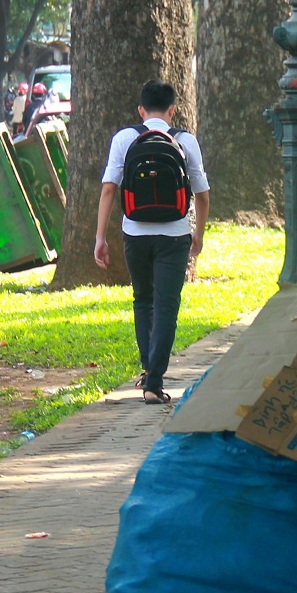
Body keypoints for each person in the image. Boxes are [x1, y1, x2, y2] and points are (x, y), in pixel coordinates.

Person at [94, 80, 210, 405]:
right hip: (174, 234)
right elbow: (202, 194)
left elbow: (108, 189)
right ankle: (154, 381)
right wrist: (198, 233)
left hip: (134, 233)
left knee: (143, 299)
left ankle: (150, 373)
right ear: (173, 110)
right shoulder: (185, 141)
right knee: (167, 305)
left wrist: (100, 237)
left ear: (140, 110)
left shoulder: (124, 138)